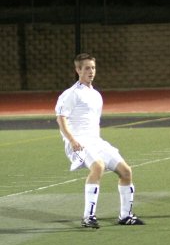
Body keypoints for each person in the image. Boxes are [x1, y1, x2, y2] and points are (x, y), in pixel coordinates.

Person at [55, 53, 144, 228]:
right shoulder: (71, 94)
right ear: (78, 70)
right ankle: (88, 217)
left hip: (95, 141)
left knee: (126, 171)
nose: (91, 71)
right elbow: (61, 119)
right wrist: (72, 140)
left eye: (93, 67)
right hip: (78, 142)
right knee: (98, 166)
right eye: (87, 68)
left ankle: (125, 216)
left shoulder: (96, 94)